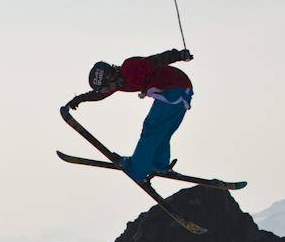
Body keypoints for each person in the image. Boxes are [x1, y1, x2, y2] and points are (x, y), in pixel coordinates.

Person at [66, 49, 194, 181]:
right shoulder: (119, 82)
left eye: (105, 87)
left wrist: (178, 55)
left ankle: (137, 170)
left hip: (173, 89)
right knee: (162, 132)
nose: (107, 91)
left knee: (151, 130)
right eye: (104, 89)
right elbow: (98, 95)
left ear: (111, 76)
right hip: (182, 92)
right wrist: (78, 100)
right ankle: (158, 164)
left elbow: (155, 61)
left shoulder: (130, 69)